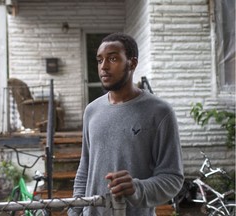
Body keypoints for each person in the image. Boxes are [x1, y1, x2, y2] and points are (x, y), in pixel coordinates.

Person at [68, 32, 184, 216]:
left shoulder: (160, 112)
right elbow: (85, 168)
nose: (103, 67)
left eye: (112, 58)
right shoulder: (92, 111)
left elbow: (173, 179)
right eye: (100, 60)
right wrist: (75, 211)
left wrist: (137, 188)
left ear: (132, 63)